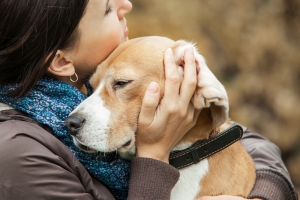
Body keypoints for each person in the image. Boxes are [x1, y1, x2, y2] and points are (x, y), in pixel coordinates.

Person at [0, 0, 297, 200]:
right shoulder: (17, 155)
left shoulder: (93, 79)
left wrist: (262, 195)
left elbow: (243, 139)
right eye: (106, 9)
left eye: (120, 83)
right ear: (62, 61)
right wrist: (154, 154)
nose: (126, 4)